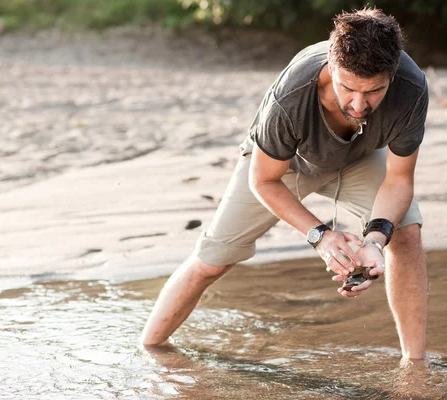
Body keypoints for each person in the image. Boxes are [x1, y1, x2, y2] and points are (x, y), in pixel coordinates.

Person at [142, 7, 429, 362]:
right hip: (283, 166)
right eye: (348, 88)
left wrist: (374, 239)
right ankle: (149, 350)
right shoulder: (292, 95)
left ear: (392, 74)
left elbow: (399, 180)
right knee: (214, 260)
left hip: (358, 157)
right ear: (330, 64)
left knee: (406, 233)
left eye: (374, 92)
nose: (359, 104)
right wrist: (321, 237)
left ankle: (415, 367)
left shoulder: (411, 88)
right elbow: (263, 180)